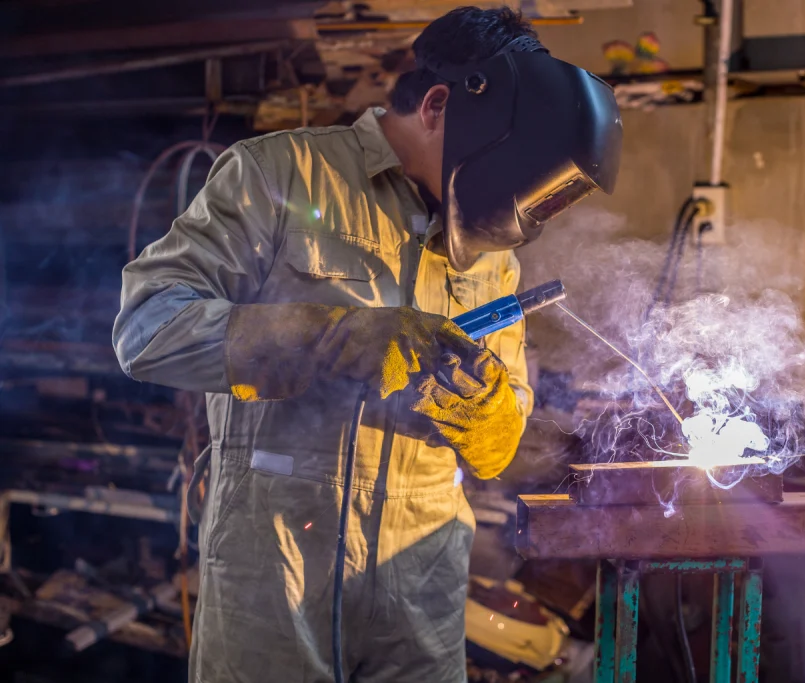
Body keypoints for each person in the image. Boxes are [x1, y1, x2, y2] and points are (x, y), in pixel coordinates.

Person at [112, 6, 620, 683]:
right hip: (277, 583)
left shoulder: (488, 253)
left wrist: (491, 411)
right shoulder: (278, 175)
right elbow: (147, 327)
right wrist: (331, 336)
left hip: (421, 595)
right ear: (440, 104)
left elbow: (500, 442)